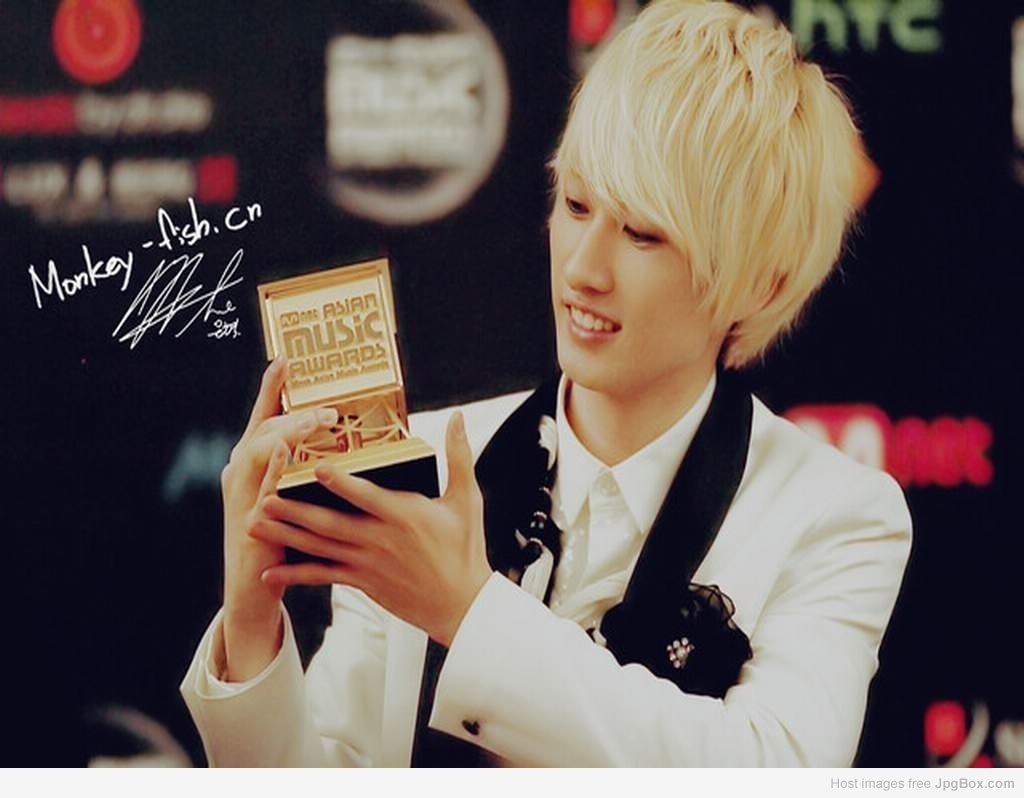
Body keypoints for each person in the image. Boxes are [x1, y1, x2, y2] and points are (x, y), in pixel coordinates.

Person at [181, 0, 911, 767]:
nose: (583, 268)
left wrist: (467, 612)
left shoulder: (837, 514)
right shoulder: (421, 462)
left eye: (643, 233)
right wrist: (251, 624)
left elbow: (775, 769)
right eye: (576, 204)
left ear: (761, 282)